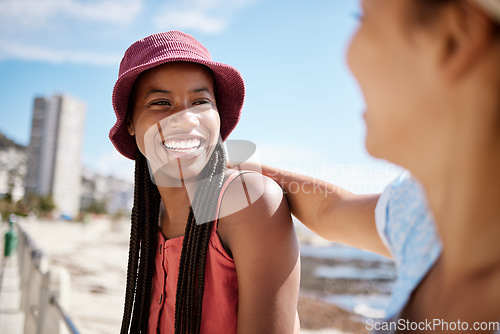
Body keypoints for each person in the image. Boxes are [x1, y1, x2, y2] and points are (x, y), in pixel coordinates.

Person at [237, 0, 500, 332]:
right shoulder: (425, 215)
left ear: (455, 38)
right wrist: (236, 170)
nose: (348, 55)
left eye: (363, 18)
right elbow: (329, 211)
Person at [109, 31, 300, 334]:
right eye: (160, 102)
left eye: (200, 101)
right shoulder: (149, 215)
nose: (186, 119)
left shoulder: (250, 202)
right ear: (131, 122)